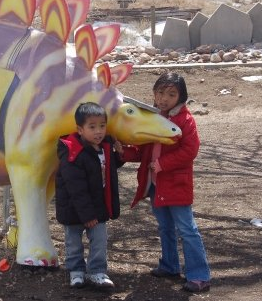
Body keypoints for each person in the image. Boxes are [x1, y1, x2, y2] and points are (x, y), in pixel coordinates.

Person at [122, 72, 211, 293]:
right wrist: (121, 151)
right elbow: (142, 149)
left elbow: (190, 150)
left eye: (171, 94)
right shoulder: (154, 117)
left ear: (181, 97)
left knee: (187, 229)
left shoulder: (185, 119)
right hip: (155, 184)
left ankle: (199, 275)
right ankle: (170, 265)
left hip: (176, 183)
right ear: (153, 93)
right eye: (160, 93)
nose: (164, 98)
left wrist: (163, 163)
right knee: (165, 227)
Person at [55, 102, 124, 289]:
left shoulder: (103, 147)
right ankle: (76, 271)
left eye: (102, 126)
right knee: (74, 242)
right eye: (92, 127)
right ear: (80, 129)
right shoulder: (72, 153)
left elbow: (105, 170)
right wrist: (87, 215)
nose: (98, 131)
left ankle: (97, 271)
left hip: (97, 204)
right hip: (74, 207)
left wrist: (118, 156)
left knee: (99, 240)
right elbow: (76, 188)